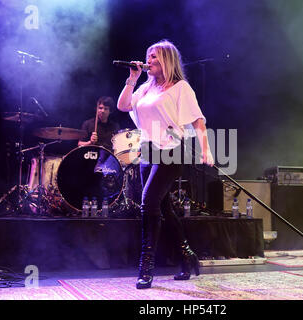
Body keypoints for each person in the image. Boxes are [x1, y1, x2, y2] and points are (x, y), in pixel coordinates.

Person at [117, 40, 214, 289]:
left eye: (155, 58)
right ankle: (187, 256)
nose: (149, 61)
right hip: (148, 151)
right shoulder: (146, 88)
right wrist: (132, 78)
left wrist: (206, 150)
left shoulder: (181, 87)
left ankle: (146, 266)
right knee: (164, 208)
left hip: (172, 150)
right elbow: (123, 105)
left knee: (148, 203)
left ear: (167, 61)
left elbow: (198, 122)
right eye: (148, 57)